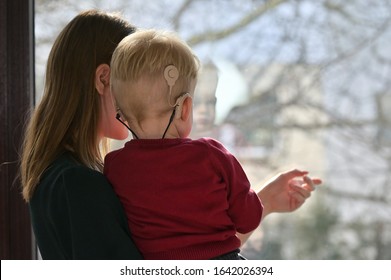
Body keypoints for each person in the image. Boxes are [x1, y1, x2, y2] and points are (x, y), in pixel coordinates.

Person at [105, 29, 322, 260]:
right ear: (186, 107)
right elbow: (248, 217)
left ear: (122, 115)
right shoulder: (211, 154)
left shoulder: (115, 168)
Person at [20, 10, 142, 260]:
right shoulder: (79, 183)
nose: (141, 98)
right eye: (134, 81)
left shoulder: (57, 175)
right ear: (103, 78)